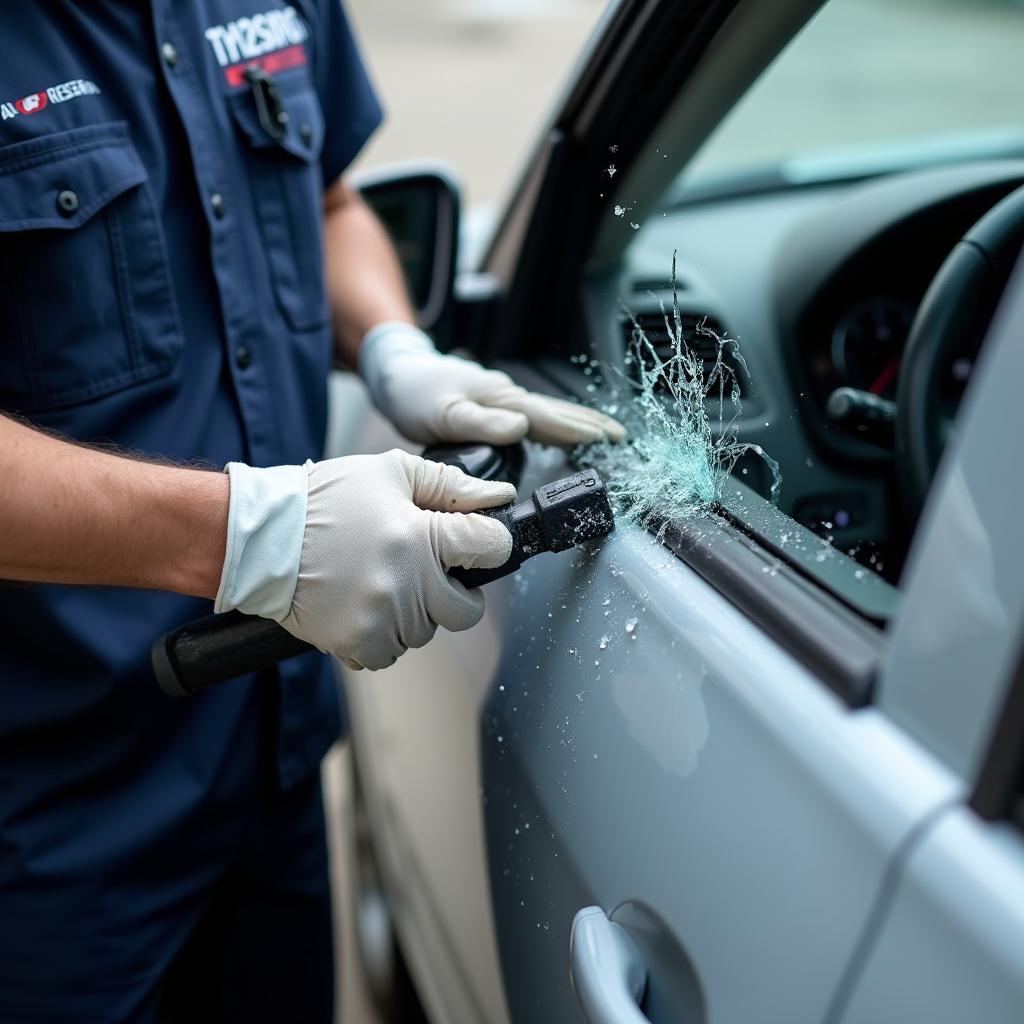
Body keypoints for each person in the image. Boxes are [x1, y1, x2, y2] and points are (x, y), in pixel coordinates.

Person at [0, 3, 623, 1022]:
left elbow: (325, 202)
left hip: (274, 769)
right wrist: (254, 535)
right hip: (49, 833)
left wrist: (392, 346)